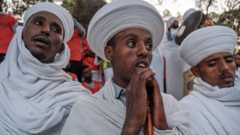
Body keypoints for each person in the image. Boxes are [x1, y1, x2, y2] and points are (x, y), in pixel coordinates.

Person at [61, 0, 190, 135]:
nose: (144, 51)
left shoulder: (170, 104)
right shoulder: (87, 110)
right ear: (109, 52)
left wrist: (161, 124)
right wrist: (132, 124)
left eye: (149, 45)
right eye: (131, 43)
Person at [0, 2, 89, 135]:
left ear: (61, 48)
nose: (46, 30)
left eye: (56, 29)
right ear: (22, 33)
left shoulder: (76, 99)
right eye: (38, 23)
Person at [179, 26, 240, 135]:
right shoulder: (187, 110)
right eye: (212, 64)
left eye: (229, 60)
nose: (225, 68)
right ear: (196, 71)